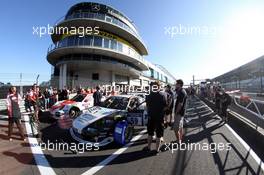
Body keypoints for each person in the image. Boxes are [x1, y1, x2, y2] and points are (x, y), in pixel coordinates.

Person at [144, 81, 167, 155]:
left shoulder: (149, 95)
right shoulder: (163, 95)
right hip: (159, 117)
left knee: (150, 133)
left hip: (151, 116)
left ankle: (148, 147)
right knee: (159, 134)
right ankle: (157, 150)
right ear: (159, 87)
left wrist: (149, 112)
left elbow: (147, 106)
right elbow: (166, 106)